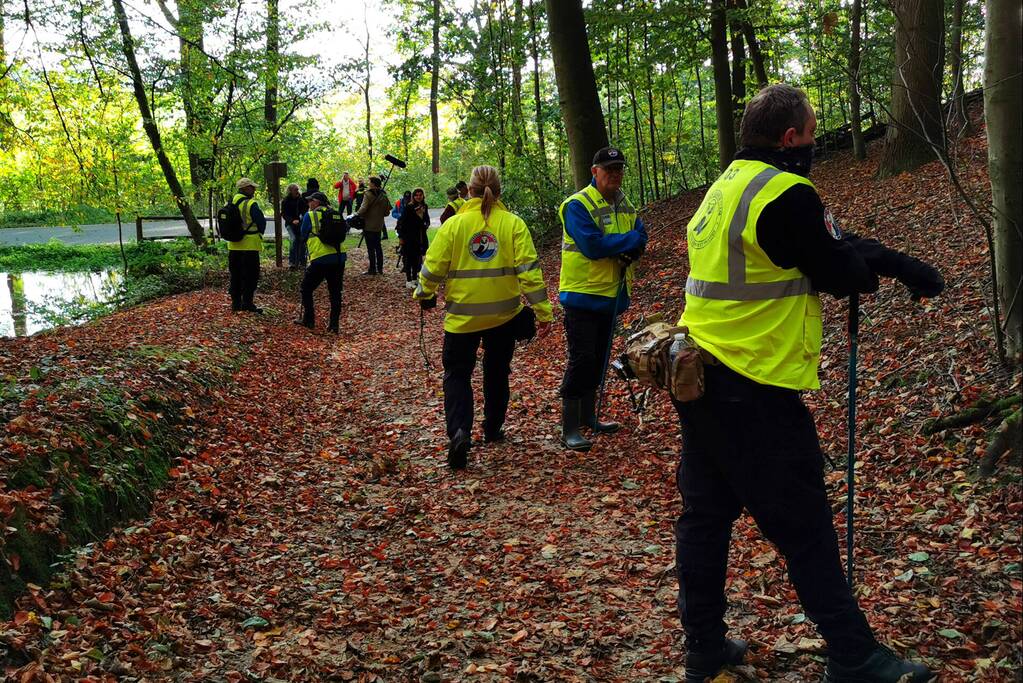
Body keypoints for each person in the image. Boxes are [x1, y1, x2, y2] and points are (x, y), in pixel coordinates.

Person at [673, 84, 944, 683]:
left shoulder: (725, 188)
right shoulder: (788, 193)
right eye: (813, 132)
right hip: (754, 384)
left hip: (700, 375)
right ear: (791, 137)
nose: (817, 142)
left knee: (705, 517)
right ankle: (852, 654)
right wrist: (880, 270)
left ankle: (705, 646)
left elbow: (822, 249)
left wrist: (894, 262)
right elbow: (836, 267)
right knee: (804, 524)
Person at [413, 165, 553, 469]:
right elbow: (529, 274)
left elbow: (433, 267)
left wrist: (424, 295)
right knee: (497, 371)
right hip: (503, 318)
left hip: (462, 320)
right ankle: (492, 428)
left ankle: (460, 431)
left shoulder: (453, 226)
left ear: (469, 191)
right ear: (498, 190)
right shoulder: (513, 224)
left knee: (457, 375)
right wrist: (544, 313)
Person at [557, 146, 648, 451]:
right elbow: (592, 246)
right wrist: (628, 242)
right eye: (609, 169)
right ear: (594, 172)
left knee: (598, 360)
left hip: (612, 295)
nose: (615, 174)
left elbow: (641, 237)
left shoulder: (625, 203)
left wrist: (629, 244)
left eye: (619, 168)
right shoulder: (577, 205)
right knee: (582, 359)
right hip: (582, 296)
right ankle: (569, 426)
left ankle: (587, 417)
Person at [297, 192, 345, 333]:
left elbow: (303, 234)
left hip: (321, 258)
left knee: (306, 288)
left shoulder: (310, 215)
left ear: (316, 202)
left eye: (310, 201)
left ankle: (309, 320)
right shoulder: (335, 213)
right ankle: (334, 325)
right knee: (335, 292)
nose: (308, 204)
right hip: (339, 257)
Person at [227, 177, 268, 313]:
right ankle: (247, 303)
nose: (254, 189)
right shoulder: (250, 204)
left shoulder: (230, 202)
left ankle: (235, 304)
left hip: (233, 246)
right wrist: (259, 234)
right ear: (245, 189)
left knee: (236, 275)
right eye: (252, 187)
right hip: (250, 246)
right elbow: (261, 222)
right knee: (251, 276)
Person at [355, 175, 392, 275]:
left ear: (373, 184)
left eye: (370, 182)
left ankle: (372, 269)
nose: (368, 184)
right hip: (379, 225)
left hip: (368, 225)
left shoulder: (368, 194)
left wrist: (356, 214)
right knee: (378, 247)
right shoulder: (384, 195)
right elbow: (387, 212)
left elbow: (363, 208)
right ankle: (380, 269)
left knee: (370, 248)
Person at [397, 188, 430, 289]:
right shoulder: (409, 207)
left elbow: (426, 220)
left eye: (420, 195)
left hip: (420, 236)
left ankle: (415, 278)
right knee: (409, 258)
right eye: (416, 195)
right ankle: (408, 280)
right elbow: (402, 222)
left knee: (417, 258)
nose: (418, 197)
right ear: (413, 196)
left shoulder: (424, 206)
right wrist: (401, 237)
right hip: (409, 237)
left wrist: (424, 222)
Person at [281, 183, 308, 269]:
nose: (297, 191)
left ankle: (302, 262)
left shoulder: (301, 200)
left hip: (300, 224)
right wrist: (292, 221)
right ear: (290, 191)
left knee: (302, 241)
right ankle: (292, 262)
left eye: (297, 189)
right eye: (295, 189)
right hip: (290, 224)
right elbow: (284, 214)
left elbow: (305, 211)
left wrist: (300, 220)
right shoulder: (285, 201)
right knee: (293, 240)